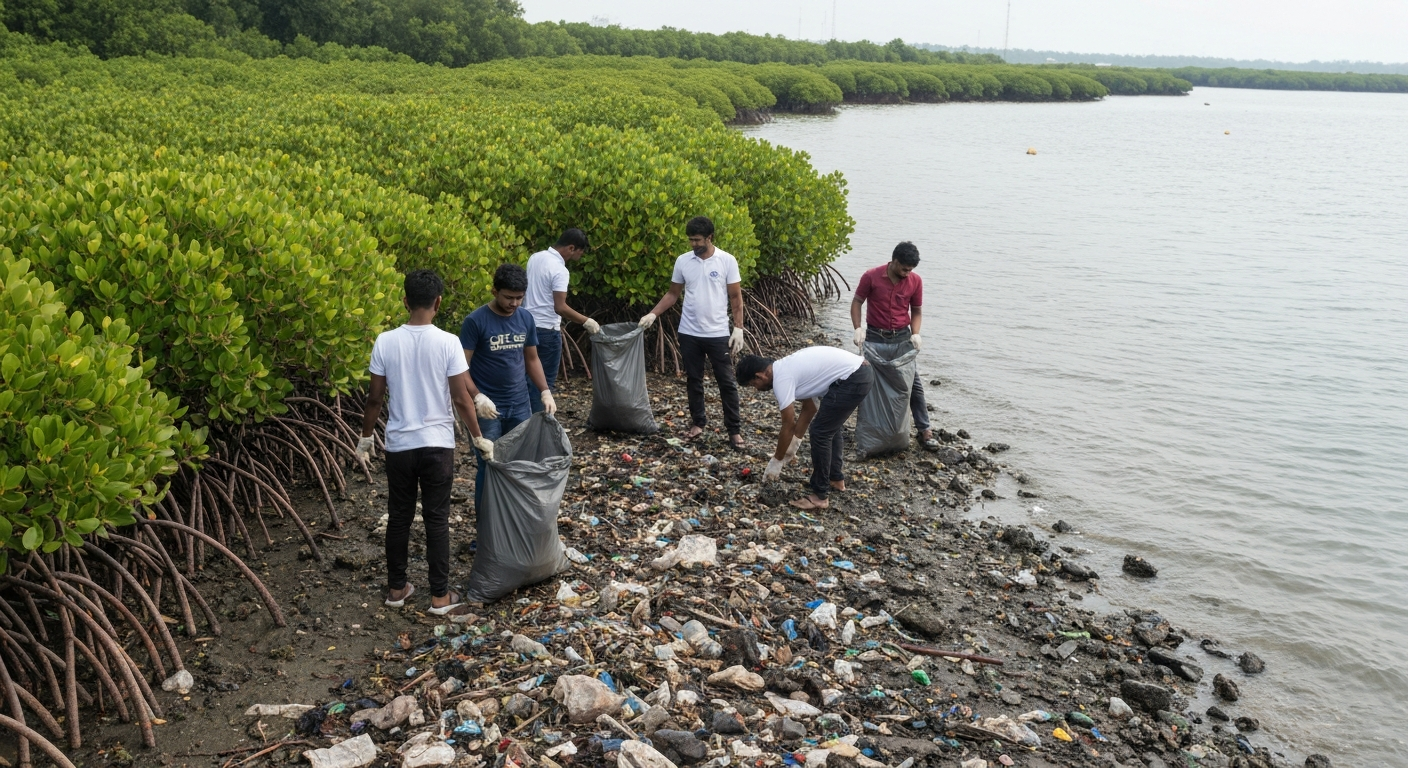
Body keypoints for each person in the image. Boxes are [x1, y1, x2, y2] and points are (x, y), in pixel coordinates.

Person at [358, 269, 494, 616]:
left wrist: (365, 437)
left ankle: (397, 589)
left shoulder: (385, 341)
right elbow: (462, 399)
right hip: (437, 446)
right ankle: (439, 597)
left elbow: (374, 399)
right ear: (438, 302)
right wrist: (477, 436)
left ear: (405, 301)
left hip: (400, 446)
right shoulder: (448, 341)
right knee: (437, 519)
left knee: (399, 517)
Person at [639, 215, 747, 450]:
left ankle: (734, 430)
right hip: (689, 332)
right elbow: (672, 294)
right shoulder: (683, 261)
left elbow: (736, 297)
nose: (694, 245)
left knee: (726, 382)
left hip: (718, 332)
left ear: (710, 237)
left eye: (698, 240)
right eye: (690, 240)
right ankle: (698, 423)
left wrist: (738, 328)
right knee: (693, 380)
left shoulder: (727, 261)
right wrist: (652, 314)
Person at [461, 264, 556, 508]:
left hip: (520, 404)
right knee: (489, 466)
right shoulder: (475, 321)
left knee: (520, 464)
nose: (514, 303)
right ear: (494, 291)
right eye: (508, 297)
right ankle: (486, 533)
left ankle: (514, 523)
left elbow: (531, 359)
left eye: (519, 298)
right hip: (488, 410)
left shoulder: (525, 318)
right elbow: (461, 368)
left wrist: (545, 391)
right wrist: (477, 396)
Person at [736, 346, 874, 510]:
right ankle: (835, 479)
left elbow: (788, 424)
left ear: (760, 376)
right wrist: (794, 443)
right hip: (859, 371)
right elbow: (810, 408)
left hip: (853, 377)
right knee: (829, 427)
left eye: (753, 384)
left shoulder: (782, 379)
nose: (757, 389)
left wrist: (777, 460)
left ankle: (820, 496)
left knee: (820, 432)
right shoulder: (785, 367)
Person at [850, 241, 939, 451]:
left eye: (911, 270)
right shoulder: (871, 276)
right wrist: (857, 328)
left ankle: (924, 429)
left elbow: (916, 311)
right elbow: (857, 302)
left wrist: (916, 333)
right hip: (874, 337)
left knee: (912, 385)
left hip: (901, 339)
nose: (907, 273)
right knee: (866, 382)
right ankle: (865, 429)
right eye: (904, 269)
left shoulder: (915, 281)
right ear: (894, 261)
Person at [524, 228, 600, 412]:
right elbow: (560, 307)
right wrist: (586, 321)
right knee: (544, 383)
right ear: (571, 248)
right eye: (580, 252)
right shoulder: (560, 270)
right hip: (547, 331)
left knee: (527, 378)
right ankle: (539, 425)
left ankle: (523, 424)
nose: (580, 257)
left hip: (526, 326)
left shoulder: (536, 257)